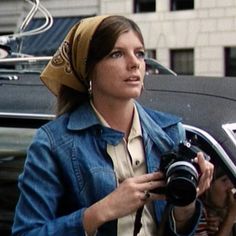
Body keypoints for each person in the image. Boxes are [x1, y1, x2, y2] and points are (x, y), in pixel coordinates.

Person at [12, 15, 213, 236]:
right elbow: (26, 232)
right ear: (88, 68)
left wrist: (186, 204)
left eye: (140, 53)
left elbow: (180, 228)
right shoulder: (53, 143)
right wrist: (101, 211)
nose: (134, 63)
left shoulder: (170, 132)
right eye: (117, 54)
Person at [201, 166, 236, 236]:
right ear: (208, 186)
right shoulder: (198, 215)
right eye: (224, 180)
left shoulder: (220, 215)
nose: (231, 187)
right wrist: (231, 216)